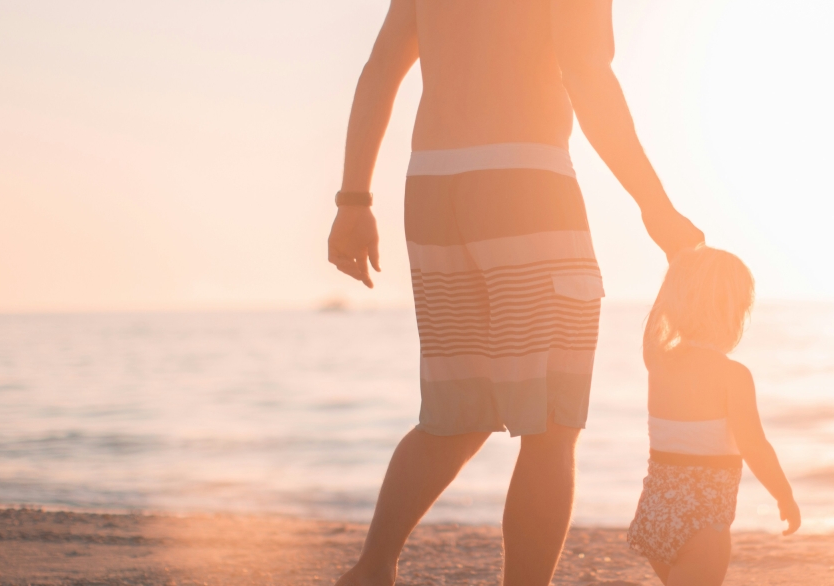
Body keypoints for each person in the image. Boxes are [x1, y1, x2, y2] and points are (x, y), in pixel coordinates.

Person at [323, 0, 704, 583]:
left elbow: (381, 67)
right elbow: (587, 75)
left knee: (454, 416)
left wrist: (354, 199)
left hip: (432, 189)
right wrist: (655, 207)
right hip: (525, 185)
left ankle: (371, 570)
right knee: (551, 428)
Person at [628, 247, 799, 586]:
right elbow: (754, 446)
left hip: (653, 515)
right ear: (734, 313)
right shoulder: (732, 375)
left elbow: (654, 322)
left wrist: (676, 267)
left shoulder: (659, 362)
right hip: (703, 521)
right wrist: (784, 495)